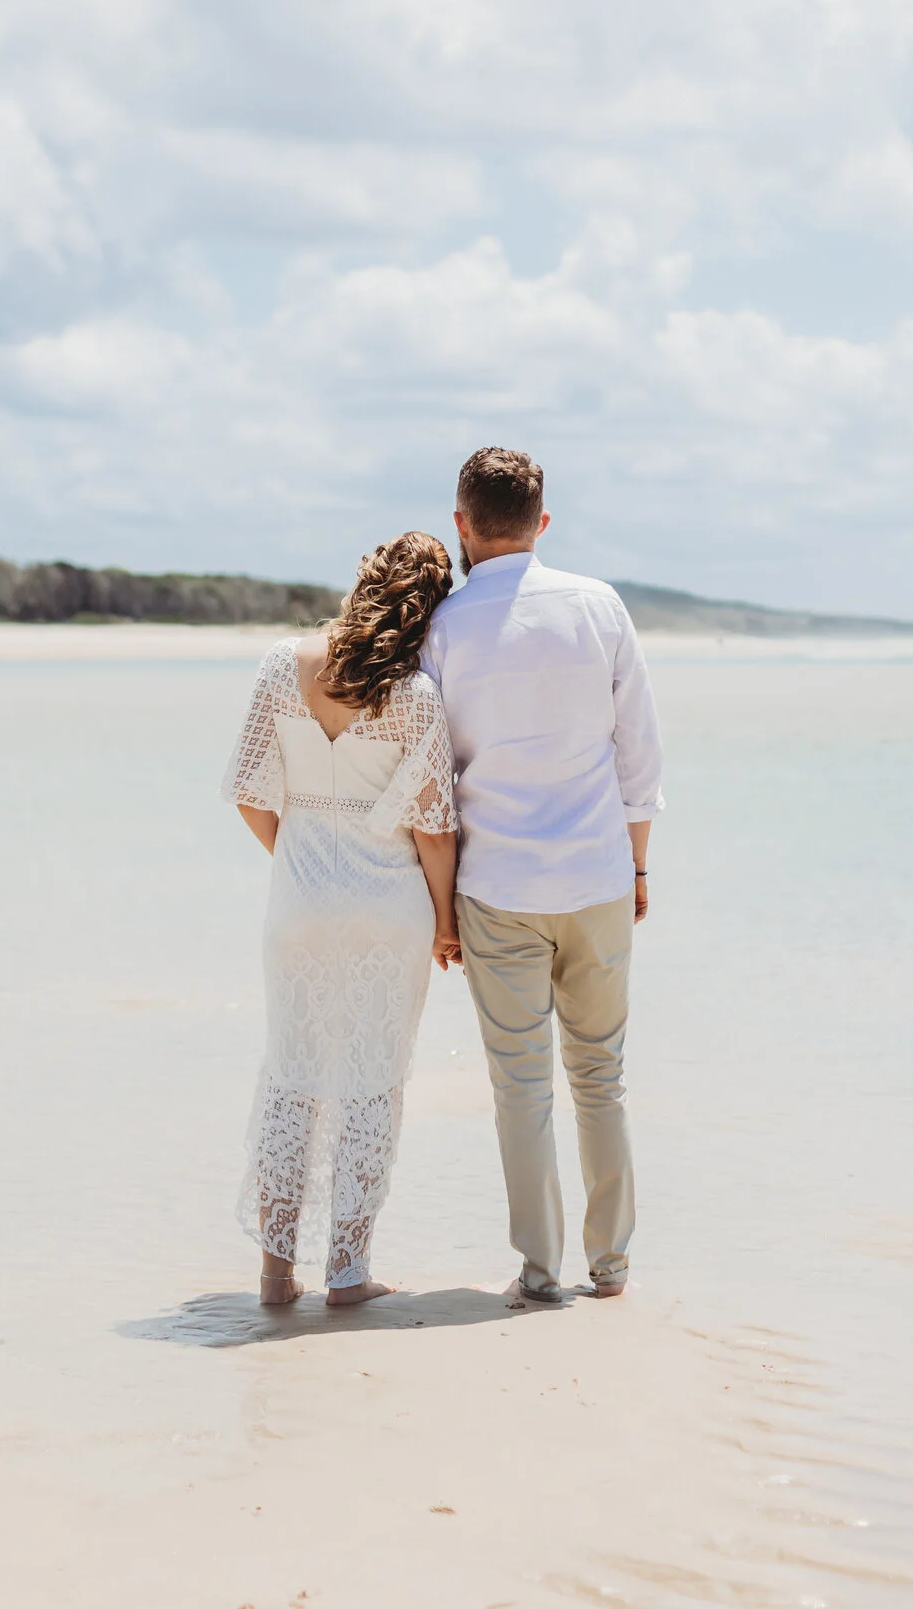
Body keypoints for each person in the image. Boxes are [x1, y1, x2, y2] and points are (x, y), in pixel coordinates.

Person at [420, 448, 664, 1305]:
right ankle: (613, 1265)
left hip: (497, 888)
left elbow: (433, 777)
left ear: (461, 523)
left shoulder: (443, 628)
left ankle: (538, 1270)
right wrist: (636, 864)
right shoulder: (599, 606)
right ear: (543, 524)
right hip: (597, 876)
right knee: (600, 1073)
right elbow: (639, 753)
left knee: (519, 1086)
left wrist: (439, 911)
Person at [222, 532, 461, 1307]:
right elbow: (431, 827)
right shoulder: (417, 695)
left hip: (298, 906)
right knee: (369, 1083)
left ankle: (274, 1271)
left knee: (292, 1076)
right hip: (387, 908)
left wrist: (301, 865)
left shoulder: (280, 666)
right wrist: (446, 923)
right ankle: (350, 1272)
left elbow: (252, 795)